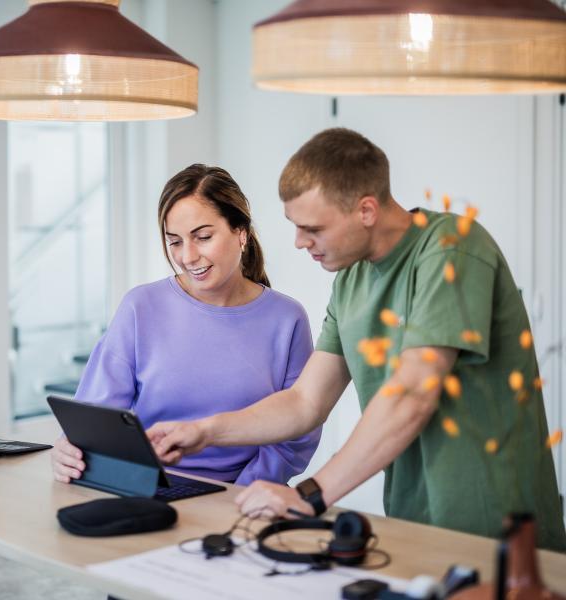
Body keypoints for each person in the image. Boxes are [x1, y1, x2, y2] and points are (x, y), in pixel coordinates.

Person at [148, 129, 566, 552]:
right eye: (296, 227)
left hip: (497, 525)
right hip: (414, 519)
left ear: (366, 209)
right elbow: (304, 402)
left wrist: (310, 495)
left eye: (313, 228)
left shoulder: (451, 248)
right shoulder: (351, 281)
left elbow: (412, 395)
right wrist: (203, 431)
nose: (299, 242)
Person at [51, 164, 321, 486]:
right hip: (146, 487)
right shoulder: (141, 307)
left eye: (203, 237)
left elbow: (297, 433)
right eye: (175, 241)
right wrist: (71, 448)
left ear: (241, 233)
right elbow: (95, 416)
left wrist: (238, 493)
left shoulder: (287, 319)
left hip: (244, 498)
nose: (187, 256)